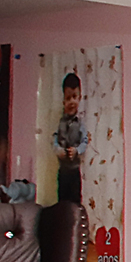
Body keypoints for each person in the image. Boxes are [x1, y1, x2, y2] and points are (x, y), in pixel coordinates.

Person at [53, 69, 85, 206]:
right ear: (63, 101)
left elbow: (84, 141)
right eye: (68, 98)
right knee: (62, 201)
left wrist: (77, 150)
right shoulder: (60, 122)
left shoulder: (80, 123)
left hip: (74, 171)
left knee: (75, 201)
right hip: (63, 171)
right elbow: (55, 137)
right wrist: (57, 149)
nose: (71, 102)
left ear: (79, 98)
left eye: (74, 97)